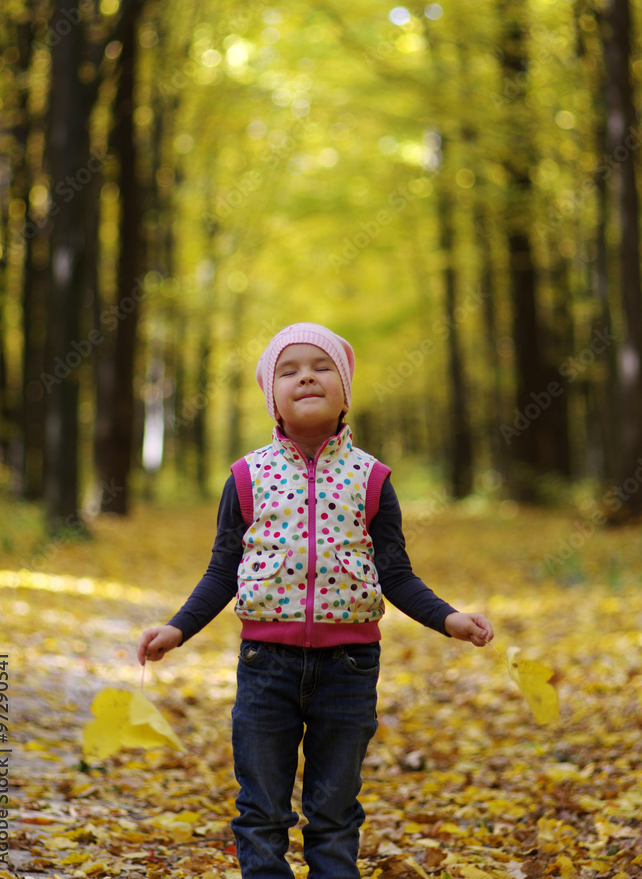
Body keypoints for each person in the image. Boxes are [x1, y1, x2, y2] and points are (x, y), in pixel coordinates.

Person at [138, 322, 494, 879]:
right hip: (265, 667)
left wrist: (449, 618)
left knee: (333, 810)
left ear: (344, 389)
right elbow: (222, 570)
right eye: (289, 369)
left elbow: (395, 573)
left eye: (321, 366)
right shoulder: (247, 478)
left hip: (349, 670)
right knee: (261, 809)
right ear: (272, 398)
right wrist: (177, 629)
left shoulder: (371, 478)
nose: (306, 375)